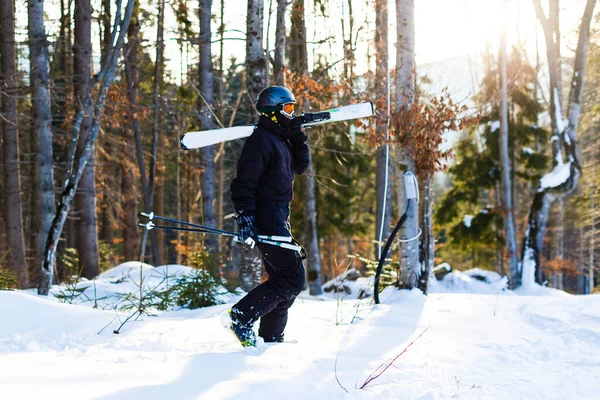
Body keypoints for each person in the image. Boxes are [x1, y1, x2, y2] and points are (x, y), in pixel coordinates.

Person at [221, 86, 309, 347]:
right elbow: (243, 184)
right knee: (292, 278)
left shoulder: (279, 139)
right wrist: (246, 217)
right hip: (266, 216)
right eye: (287, 109)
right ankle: (242, 315)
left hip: (279, 215)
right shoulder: (260, 141)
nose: (292, 114)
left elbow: (300, 167)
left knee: (282, 280)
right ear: (272, 112)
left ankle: (271, 338)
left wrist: (297, 137)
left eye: (293, 108)